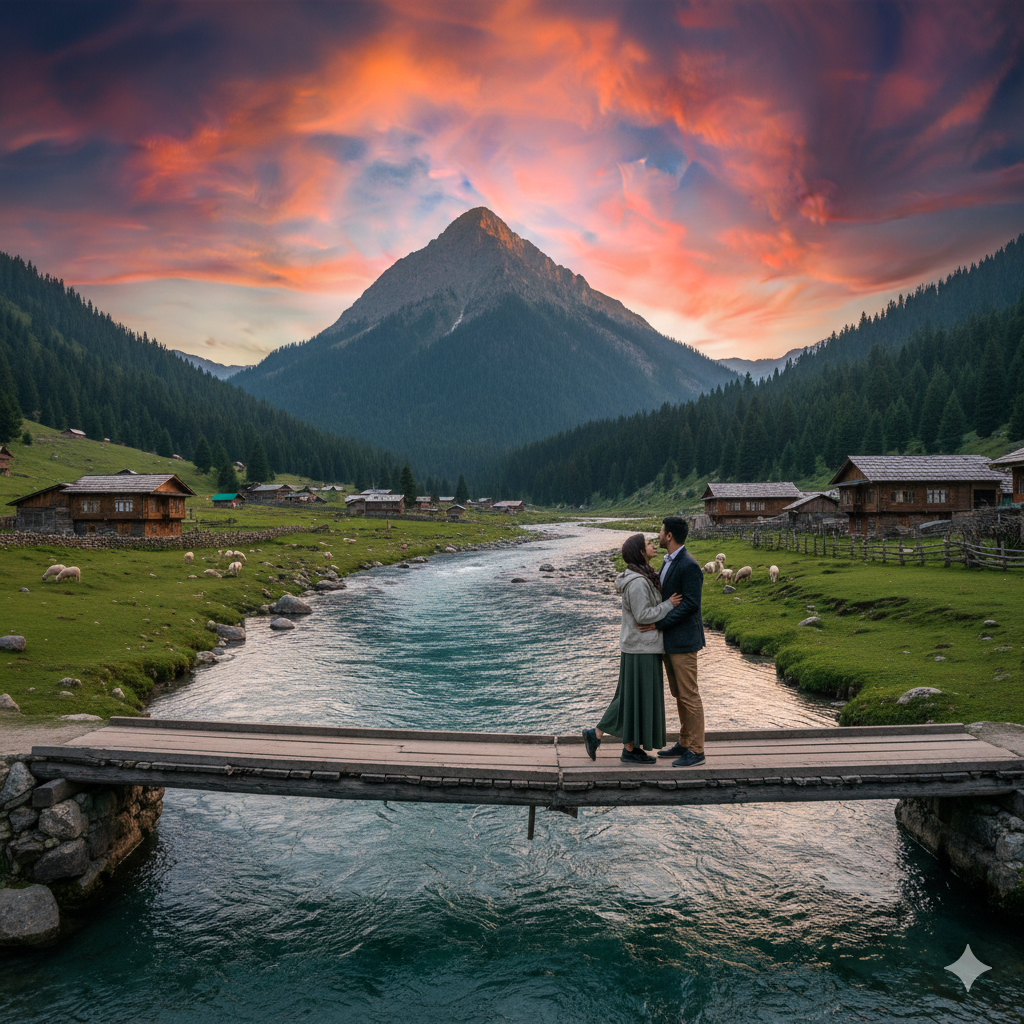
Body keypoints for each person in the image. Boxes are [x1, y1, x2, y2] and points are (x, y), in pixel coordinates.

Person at [582, 534, 682, 764]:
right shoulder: (637, 582)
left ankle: (618, 743)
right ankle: (621, 745)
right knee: (634, 697)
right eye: (648, 543)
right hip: (641, 647)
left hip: (638, 646)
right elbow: (642, 616)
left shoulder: (641, 577)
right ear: (640, 551)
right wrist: (669, 604)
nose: (652, 545)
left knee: (630, 697)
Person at [653, 516, 707, 767]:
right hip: (672, 640)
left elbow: (691, 604)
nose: (659, 534)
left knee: (689, 694)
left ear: (670, 536)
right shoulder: (669, 561)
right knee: (679, 694)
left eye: (662, 531)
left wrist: (660, 623)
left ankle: (696, 750)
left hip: (684, 640)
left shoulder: (688, 565)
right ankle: (685, 741)